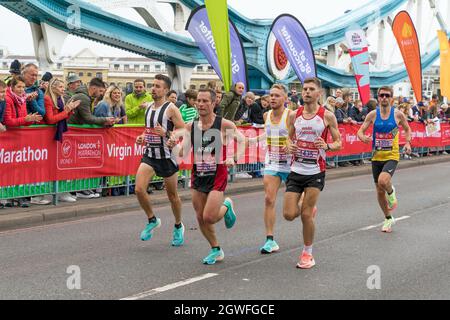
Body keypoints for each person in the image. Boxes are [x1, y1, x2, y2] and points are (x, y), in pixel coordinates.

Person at [169, 88, 246, 264]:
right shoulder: (191, 126)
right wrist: (172, 145)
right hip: (199, 175)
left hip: (217, 175)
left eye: (205, 101)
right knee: (200, 216)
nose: (201, 104)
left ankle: (227, 205)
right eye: (199, 101)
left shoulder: (225, 124)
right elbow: (182, 152)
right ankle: (216, 249)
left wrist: (233, 158)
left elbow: (243, 142)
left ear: (214, 103)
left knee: (209, 217)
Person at [283, 77, 342, 269]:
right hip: (296, 170)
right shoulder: (294, 115)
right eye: (304, 89)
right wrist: (289, 146)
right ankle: (307, 206)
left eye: (310, 89)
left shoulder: (327, 116)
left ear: (319, 94)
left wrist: (327, 145)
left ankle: (307, 253)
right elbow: (288, 138)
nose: (306, 92)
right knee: (289, 214)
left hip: (315, 171)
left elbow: (339, 142)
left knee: (306, 215)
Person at [134, 74, 186, 246]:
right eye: (153, 85)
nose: (153, 88)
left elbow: (182, 130)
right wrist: (142, 137)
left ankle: (178, 225)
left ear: (165, 90)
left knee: (172, 196)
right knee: (139, 189)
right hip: (150, 154)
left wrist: (167, 134)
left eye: (157, 86)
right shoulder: (149, 107)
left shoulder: (171, 108)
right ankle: (152, 220)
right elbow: (147, 130)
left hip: (167, 156)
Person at [357, 86, 412, 233]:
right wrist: (363, 138)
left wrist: (407, 142)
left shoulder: (398, 115)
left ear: (391, 98)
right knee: (379, 191)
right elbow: (360, 131)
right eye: (381, 95)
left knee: (383, 181)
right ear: (378, 98)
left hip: (391, 156)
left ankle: (391, 191)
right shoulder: (373, 115)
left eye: (387, 95)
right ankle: (388, 218)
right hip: (376, 156)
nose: (384, 98)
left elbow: (407, 129)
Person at [249, 84, 295, 254]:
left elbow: (299, 135)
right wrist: (253, 140)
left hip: (291, 164)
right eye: (271, 95)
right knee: (269, 199)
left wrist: (292, 145)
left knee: (295, 208)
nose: (273, 98)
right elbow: (269, 133)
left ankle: (306, 205)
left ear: (285, 99)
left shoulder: (291, 115)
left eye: (277, 95)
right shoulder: (266, 115)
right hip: (273, 162)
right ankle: (270, 240)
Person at [43, 78, 80, 203]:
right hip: (47, 136)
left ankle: (62, 192)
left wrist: (69, 111)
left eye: (63, 87)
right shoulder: (48, 98)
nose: (63, 89)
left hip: (57, 134)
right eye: (60, 87)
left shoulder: (60, 99)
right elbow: (51, 119)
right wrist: (66, 111)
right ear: (53, 88)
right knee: (46, 166)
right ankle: (42, 194)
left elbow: (62, 117)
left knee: (60, 165)